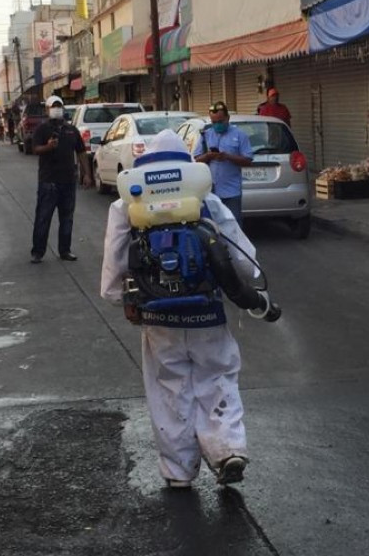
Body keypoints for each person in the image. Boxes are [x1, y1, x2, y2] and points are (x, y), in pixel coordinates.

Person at [101, 131, 253, 488]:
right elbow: (239, 253)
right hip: (206, 310)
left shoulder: (127, 205)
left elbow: (114, 258)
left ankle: (178, 472)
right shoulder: (205, 199)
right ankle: (227, 449)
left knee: (169, 389)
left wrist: (118, 296)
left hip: (157, 315)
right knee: (217, 377)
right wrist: (254, 283)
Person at [31, 96, 92, 263]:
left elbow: (81, 152)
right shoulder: (42, 129)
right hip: (48, 182)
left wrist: (87, 174)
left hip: (68, 181)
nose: (56, 109)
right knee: (43, 217)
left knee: (67, 218)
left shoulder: (71, 130)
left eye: (59, 106)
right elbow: (35, 149)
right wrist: (48, 147)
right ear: (47, 109)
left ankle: (65, 250)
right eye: (53, 106)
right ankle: (38, 252)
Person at [193, 101, 254, 224]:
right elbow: (196, 160)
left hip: (231, 192)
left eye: (220, 121)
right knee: (212, 228)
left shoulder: (240, 135)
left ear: (227, 118)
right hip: (210, 193)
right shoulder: (206, 135)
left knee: (233, 226)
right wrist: (208, 156)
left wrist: (227, 157)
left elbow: (248, 161)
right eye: (214, 122)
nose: (217, 125)